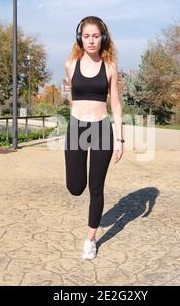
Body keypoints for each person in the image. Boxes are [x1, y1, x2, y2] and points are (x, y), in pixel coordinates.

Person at [64, 16, 124, 260]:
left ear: (103, 38)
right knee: (76, 187)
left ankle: (90, 239)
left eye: (95, 36)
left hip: (101, 129)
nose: (91, 40)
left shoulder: (110, 68)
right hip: (77, 128)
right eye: (86, 35)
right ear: (80, 37)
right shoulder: (70, 64)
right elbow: (72, 97)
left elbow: (116, 104)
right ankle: (79, 190)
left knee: (96, 187)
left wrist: (120, 139)